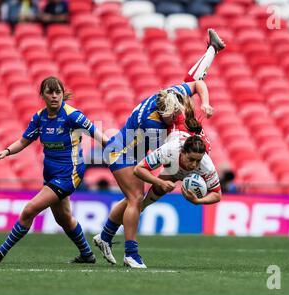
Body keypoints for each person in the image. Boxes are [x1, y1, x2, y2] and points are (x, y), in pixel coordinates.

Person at [93, 28, 226, 268]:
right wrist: (164, 181)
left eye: (178, 113)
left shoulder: (170, 97)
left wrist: (205, 104)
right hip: (122, 153)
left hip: (135, 148)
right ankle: (130, 254)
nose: (178, 116)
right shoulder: (154, 128)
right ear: (163, 115)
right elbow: (145, 167)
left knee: (136, 199)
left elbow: (195, 83)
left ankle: (104, 236)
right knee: (135, 198)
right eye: (173, 116)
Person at [0, 76, 109, 264]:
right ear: (42, 95)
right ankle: (87, 254)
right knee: (63, 219)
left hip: (68, 174)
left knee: (29, 210)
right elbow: (24, 141)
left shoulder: (72, 115)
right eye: (50, 92)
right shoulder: (39, 117)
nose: (55, 96)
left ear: (63, 94)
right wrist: (6, 151)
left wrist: (118, 151)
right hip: (51, 174)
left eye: (58, 92)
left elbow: (100, 136)